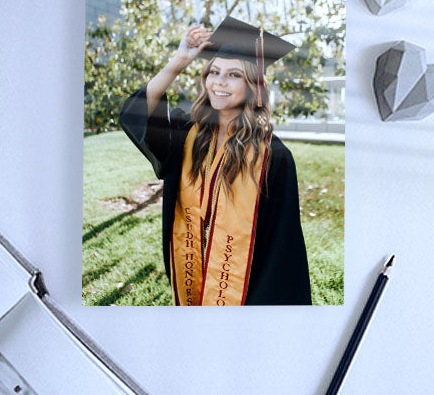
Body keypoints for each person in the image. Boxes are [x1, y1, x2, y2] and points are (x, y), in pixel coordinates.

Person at [119, 16, 312, 306]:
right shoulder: (187, 136)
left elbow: (283, 248)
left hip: (246, 292)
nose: (219, 83)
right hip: (190, 281)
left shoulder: (274, 156)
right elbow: (137, 114)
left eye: (234, 75)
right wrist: (179, 61)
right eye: (214, 72)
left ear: (252, 85)